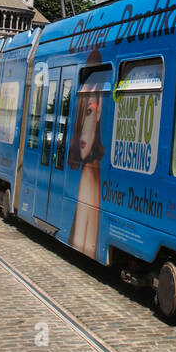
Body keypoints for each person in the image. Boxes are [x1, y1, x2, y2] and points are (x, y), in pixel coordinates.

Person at [67, 73, 104, 258]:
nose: (82, 130)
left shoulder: (90, 175)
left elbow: (81, 244)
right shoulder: (93, 174)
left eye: (88, 111)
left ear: (99, 113)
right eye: (82, 114)